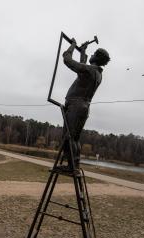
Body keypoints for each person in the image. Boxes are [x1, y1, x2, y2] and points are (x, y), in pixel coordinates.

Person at [61, 38, 110, 169]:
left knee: (68, 137)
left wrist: (72, 46)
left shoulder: (90, 71)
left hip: (75, 106)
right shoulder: (96, 73)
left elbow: (68, 60)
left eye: (94, 54)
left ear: (97, 58)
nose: (92, 55)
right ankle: (74, 165)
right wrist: (83, 52)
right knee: (74, 138)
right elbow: (82, 67)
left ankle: (71, 166)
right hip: (83, 107)